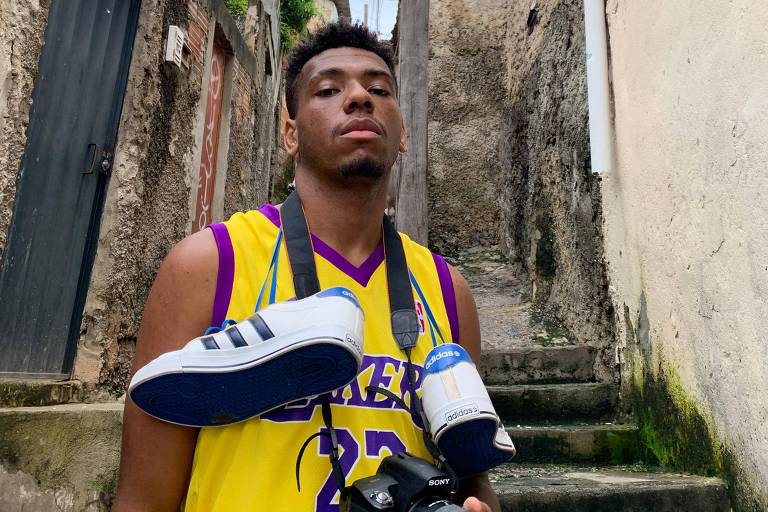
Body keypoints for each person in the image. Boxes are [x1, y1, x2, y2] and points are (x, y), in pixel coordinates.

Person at [114, 21, 500, 512]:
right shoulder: (208, 265)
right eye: (329, 89)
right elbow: (143, 500)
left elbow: (474, 485)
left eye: (378, 88)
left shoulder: (449, 292)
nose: (360, 97)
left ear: (403, 133)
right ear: (290, 133)